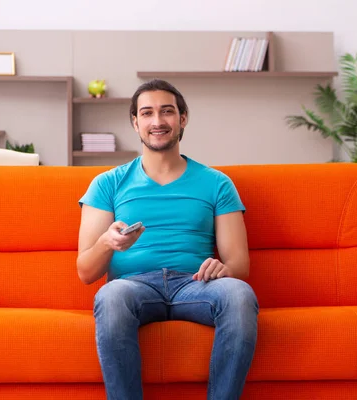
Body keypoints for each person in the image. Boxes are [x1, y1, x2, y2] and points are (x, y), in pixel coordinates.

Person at [76, 79, 259, 400]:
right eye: (147, 113)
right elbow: (86, 273)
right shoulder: (107, 183)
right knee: (111, 296)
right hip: (133, 286)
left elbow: (239, 265)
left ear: (183, 119)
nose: (157, 121)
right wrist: (107, 242)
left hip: (196, 285)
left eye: (167, 112)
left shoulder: (217, 183)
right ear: (135, 123)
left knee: (238, 293)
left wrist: (222, 270)